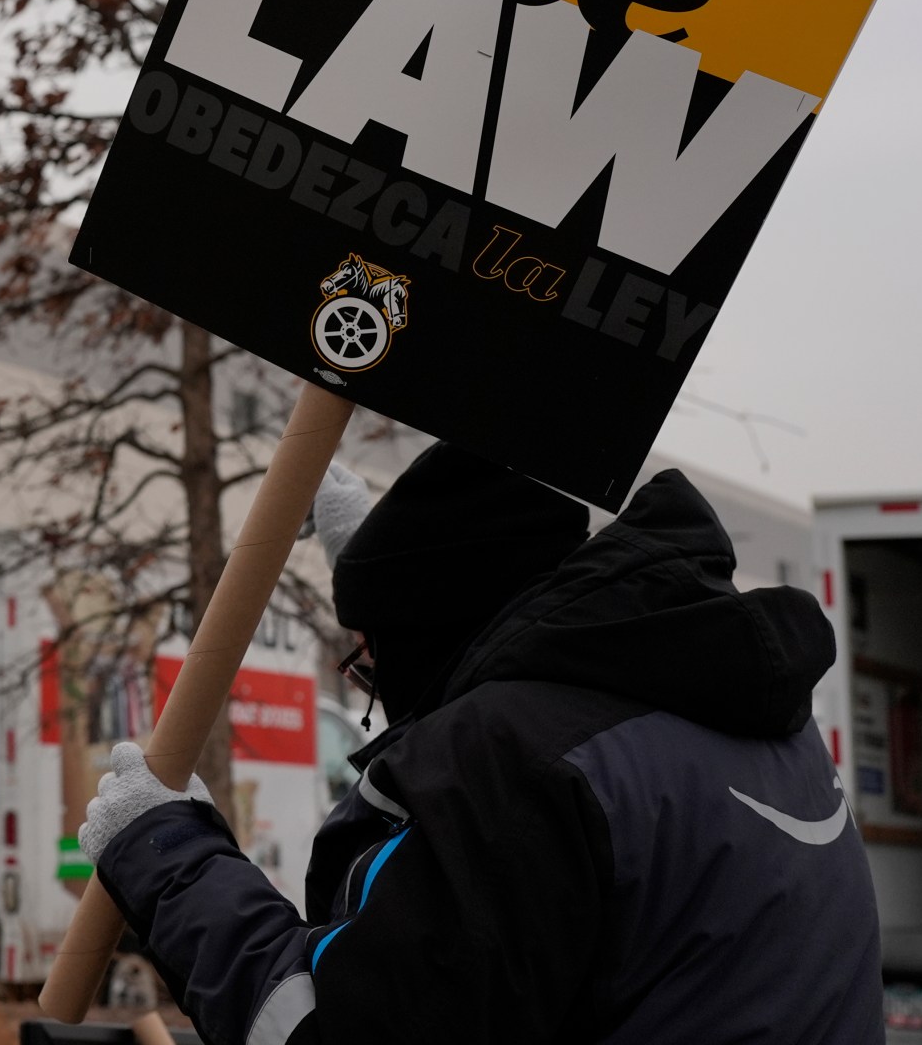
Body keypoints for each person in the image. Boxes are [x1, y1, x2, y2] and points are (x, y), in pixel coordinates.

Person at [78, 442, 877, 1044]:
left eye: (370, 665)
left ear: (431, 642)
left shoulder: (519, 765)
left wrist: (165, 855)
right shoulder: (741, 709)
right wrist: (398, 595)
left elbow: (332, 1030)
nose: (377, 692)